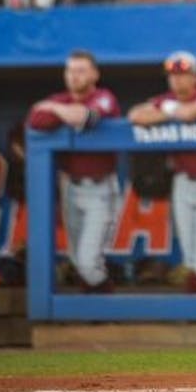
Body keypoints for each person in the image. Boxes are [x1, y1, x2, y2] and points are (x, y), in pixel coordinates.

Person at [128, 51, 196, 293]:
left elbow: (190, 113)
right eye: (172, 76)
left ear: (195, 77)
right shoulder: (167, 99)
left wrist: (165, 109)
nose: (177, 80)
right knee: (191, 261)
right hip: (183, 184)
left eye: (183, 75)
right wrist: (167, 108)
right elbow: (135, 115)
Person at [27, 50, 121, 292]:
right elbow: (35, 119)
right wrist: (58, 109)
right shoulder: (62, 98)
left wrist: (54, 109)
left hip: (101, 188)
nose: (74, 76)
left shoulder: (104, 96)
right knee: (78, 260)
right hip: (70, 187)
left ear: (95, 74)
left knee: (89, 263)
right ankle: (94, 317)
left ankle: (106, 309)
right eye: (70, 71)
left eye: (81, 71)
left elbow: (85, 118)